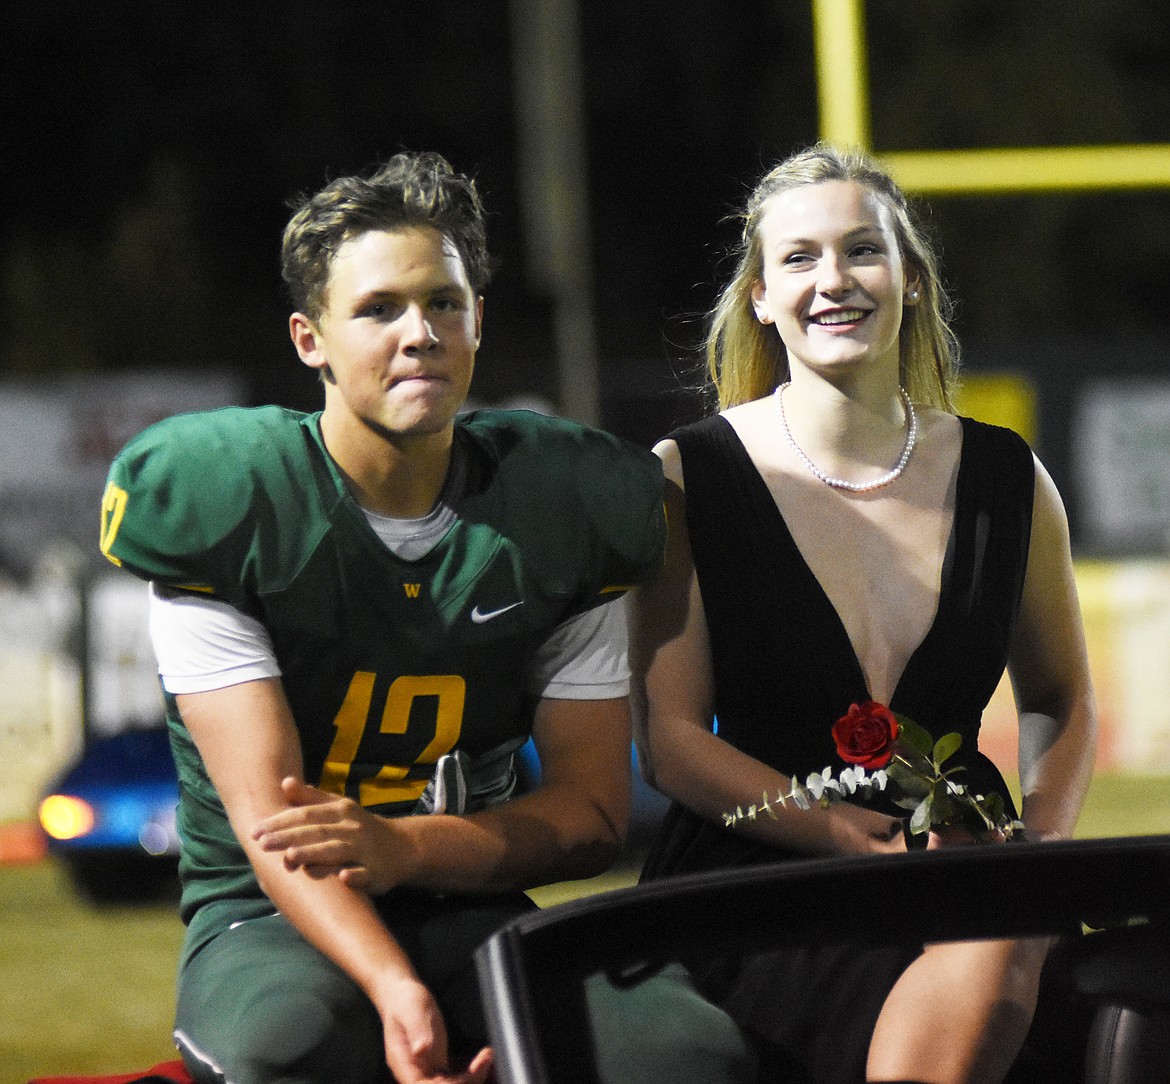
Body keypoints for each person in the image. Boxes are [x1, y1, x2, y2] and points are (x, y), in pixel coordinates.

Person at [99, 152, 754, 1084]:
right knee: (291, 1047)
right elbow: (273, 822)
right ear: (309, 339)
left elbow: (594, 813)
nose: (421, 333)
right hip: (271, 911)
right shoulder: (230, 501)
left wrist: (405, 848)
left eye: (445, 303)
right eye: (378, 310)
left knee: (684, 1052)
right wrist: (397, 992)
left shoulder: (557, 505)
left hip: (461, 891)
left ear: (478, 320)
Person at [629, 144, 1097, 1084]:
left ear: (912, 278)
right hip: (759, 874)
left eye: (862, 251)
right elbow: (670, 739)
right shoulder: (685, 477)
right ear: (760, 296)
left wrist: (1039, 848)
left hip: (958, 869)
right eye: (799, 258)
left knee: (1028, 945)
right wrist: (841, 835)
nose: (832, 280)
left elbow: (1061, 694)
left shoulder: (1011, 480)